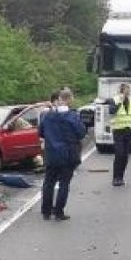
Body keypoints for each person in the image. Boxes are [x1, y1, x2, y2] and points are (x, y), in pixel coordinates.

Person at [38, 88, 86, 221]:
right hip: (67, 154)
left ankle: (46, 212)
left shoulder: (48, 116)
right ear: (69, 99)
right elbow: (81, 133)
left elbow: (41, 132)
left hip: (51, 153)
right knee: (64, 183)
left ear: (59, 99)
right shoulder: (72, 116)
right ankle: (58, 211)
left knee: (48, 182)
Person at [106, 83, 131, 187]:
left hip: (129, 131)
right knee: (119, 154)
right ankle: (115, 178)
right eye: (126, 90)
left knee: (125, 155)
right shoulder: (114, 100)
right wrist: (120, 102)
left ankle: (121, 177)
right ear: (121, 90)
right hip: (118, 131)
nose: (128, 91)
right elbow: (111, 111)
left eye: (129, 90)